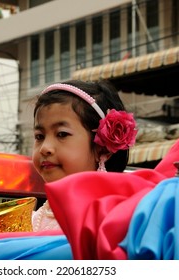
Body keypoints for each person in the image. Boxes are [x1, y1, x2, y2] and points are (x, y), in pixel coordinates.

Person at [31, 79, 137, 231]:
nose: (45, 148)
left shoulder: (113, 220)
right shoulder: (31, 220)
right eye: (39, 136)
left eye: (62, 134)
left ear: (102, 149)